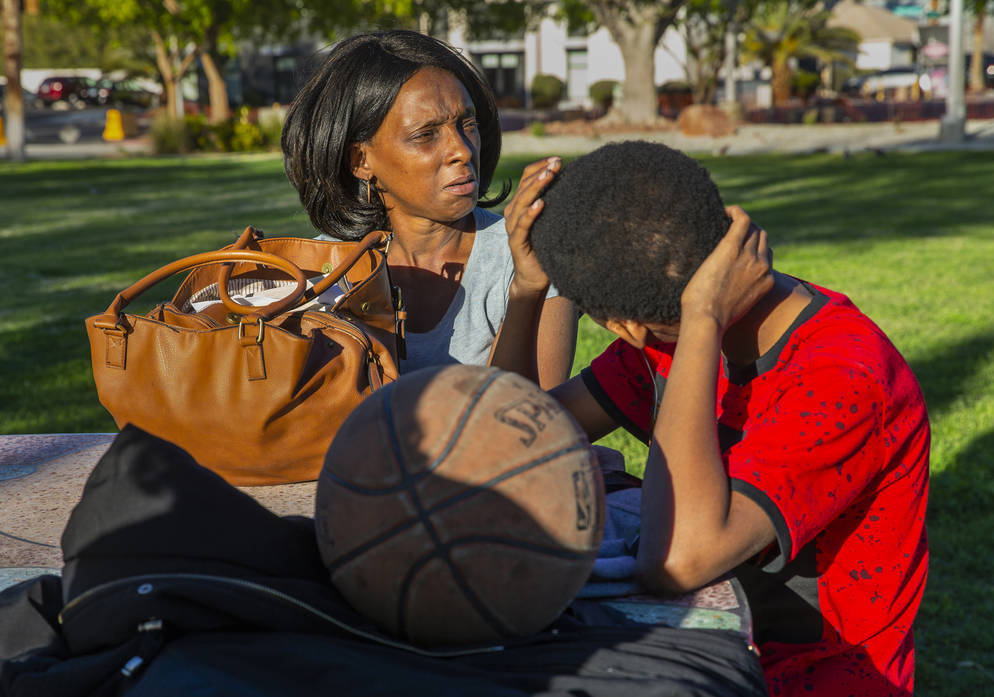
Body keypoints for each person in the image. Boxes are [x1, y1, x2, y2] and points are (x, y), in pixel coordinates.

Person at [530, 141, 929, 696]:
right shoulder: (664, 340)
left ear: (623, 326)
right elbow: (516, 437)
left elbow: (675, 560)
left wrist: (702, 320)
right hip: (702, 654)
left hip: (817, 678)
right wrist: (527, 289)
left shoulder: (843, 377)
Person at [280, 30, 577, 389]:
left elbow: (532, 418)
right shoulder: (319, 270)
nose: (463, 150)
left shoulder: (528, 258)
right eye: (426, 135)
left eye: (467, 124)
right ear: (361, 161)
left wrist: (525, 292)